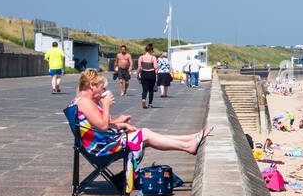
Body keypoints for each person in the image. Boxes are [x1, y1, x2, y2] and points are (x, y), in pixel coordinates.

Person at [69, 69, 211, 161]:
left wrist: (121, 121)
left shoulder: (84, 101)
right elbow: (102, 126)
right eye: (102, 88)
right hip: (102, 147)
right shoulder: (85, 102)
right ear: (92, 86)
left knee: (145, 134)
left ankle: (190, 139)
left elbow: (103, 123)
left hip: (103, 142)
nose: (103, 91)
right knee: (145, 134)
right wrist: (105, 105)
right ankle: (188, 146)